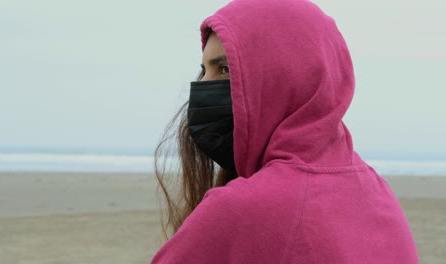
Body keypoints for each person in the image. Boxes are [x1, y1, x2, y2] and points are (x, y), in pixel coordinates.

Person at [151, 0, 419, 263]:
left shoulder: (243, 209)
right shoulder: (377, 193)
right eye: (204, 70)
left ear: (286, 77)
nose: (201, 87)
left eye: (225, 69)